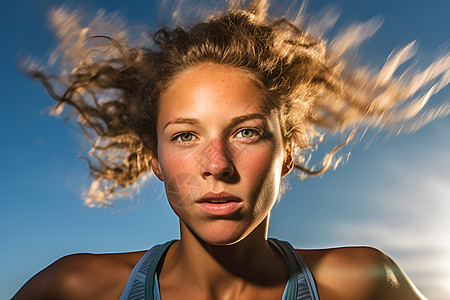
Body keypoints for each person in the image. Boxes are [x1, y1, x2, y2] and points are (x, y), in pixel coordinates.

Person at [13, 0, 448, 299]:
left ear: (288, 152)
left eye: (246, 132)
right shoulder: (75, 287)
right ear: (155, 160)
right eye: (186, 135)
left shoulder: (361, 283)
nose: (217, 165)